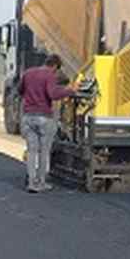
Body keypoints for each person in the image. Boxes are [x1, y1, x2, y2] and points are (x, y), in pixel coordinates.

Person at [19, 54, 76, 193]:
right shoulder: (50, 75)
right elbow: (53, 94)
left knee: (32, 150)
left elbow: (20, 91)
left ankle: (32, 183)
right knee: (44, 151)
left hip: (27, 117)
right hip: (44, 117)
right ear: (55, 66)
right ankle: (42, 182)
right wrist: (70, 90)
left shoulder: (28, 73)